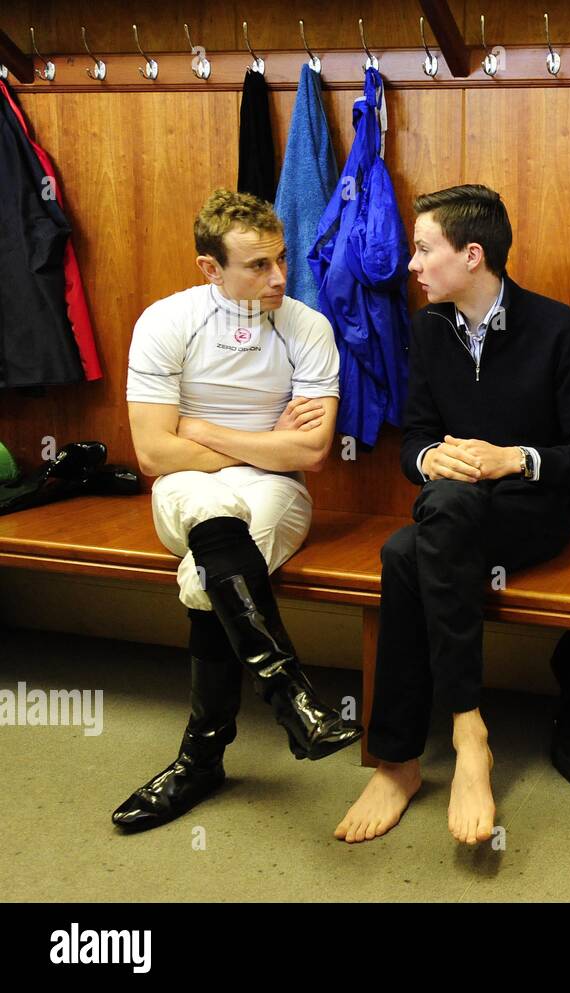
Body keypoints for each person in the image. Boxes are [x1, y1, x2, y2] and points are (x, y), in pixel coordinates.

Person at [334, 184, 570, 846]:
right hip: (453, 510)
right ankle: (450, 736)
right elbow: (415, 442)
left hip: (532, 512)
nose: (412, 265)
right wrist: (435, 460)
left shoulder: (558, 328)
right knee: (411, 544)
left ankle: (413, 753)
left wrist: (509, 458)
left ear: (473, 254)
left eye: (425, 249)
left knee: (417, 542)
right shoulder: (429, 332)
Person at [112, 188, 362, 833]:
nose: (279, 277)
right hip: (186, 486)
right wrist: (260, 446)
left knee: (205, 577)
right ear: (210, 268)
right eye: (257, 265)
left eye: (281, 260)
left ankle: (201, 759)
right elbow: (151, 452)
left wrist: (203, 430)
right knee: (208, 506)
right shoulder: (167, 321)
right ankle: (293, 700)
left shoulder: (308, 326)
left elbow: (310, 453)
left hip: (278, 492)